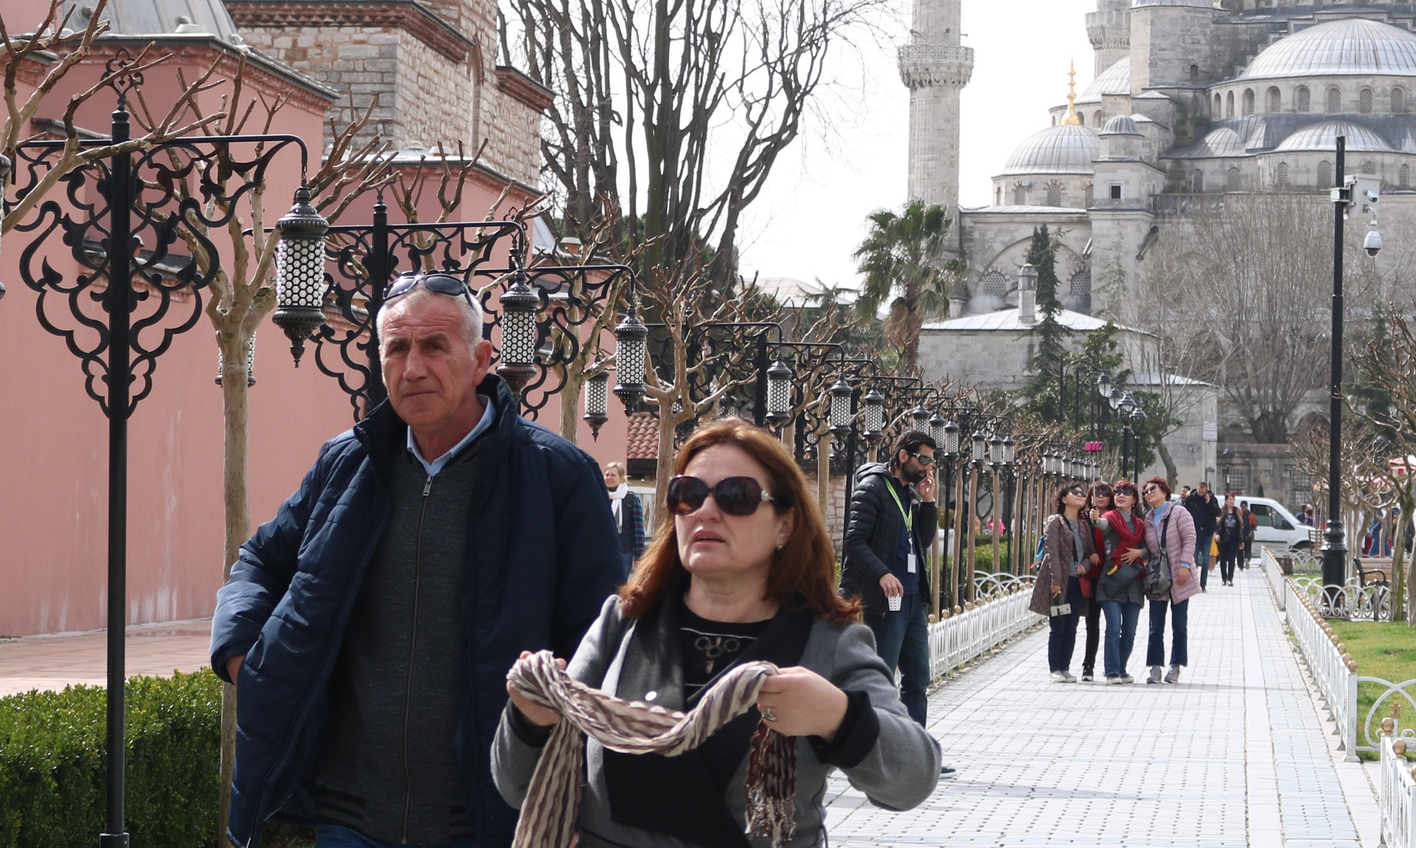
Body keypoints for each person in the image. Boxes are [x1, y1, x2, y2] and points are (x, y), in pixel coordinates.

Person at [210, 273, 625, 848]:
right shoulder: (347, 464)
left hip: (486, 819)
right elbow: (260, 559)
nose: (413, 368)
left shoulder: (557, 476)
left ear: (481, 360)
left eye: (435, 346)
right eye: (397, 348)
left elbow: (601, 642)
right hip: (341, 819)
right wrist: (241, 657)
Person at [492, 421, 938, 846]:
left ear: (785, 523)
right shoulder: (626, 621)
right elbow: (517, 785)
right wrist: (530, 720)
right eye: (687, 494)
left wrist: (839, 718)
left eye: (736, 496)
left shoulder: (828, 641)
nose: (706, 511)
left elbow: (913, 778)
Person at [842, 430, 940, 731]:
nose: (928, 468)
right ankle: (877, 748)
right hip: (885, 602)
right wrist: (883, 574)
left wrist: (928, 503)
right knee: (882, 678)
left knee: (918, 679)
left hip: (911, 599)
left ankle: (915, 751)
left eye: (932, 462)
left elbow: (921, 541)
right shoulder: (872, 487)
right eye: (924, 459)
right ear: (902, 456)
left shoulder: (909, 493)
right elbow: (854, 542)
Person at [1032, 481, 1094, 681]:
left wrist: (1086, 564)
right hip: (1060, 584)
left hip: (1077, 584)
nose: (1079, 495)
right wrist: (1056, 582)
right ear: (1063, 499)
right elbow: (1053, 554)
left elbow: (1090, 551)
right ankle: (1055, 668)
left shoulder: (1084, 525)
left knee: (1072, 625)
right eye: (1074, 492)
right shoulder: (1055, 522)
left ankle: (1065, 667)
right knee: (1058, 625)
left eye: (1082, 493)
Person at [1142, 475, 1200, 683]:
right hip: (1158, 579)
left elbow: (1190, 539)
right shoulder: (1147, 519)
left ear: (1165, 490)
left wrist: (1185, 565)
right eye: (1146, 491)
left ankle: (1175, 667)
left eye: (1153, 488)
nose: (1149, 493)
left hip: (1179, 576)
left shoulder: (1179, 512)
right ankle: (1155, 668)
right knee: (1155, 626)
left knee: (1179, 624)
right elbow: (1148, 549)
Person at [1094, 481, 1152, 681]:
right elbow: (1102, 525)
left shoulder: (1140, 525)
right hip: (1112, 579)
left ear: (1134, 499)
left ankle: (1121, 668)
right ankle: (1111, 672)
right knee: (1113, 629)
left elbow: (1150, 548)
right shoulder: (1110, 518)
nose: (1120, 495)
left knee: (1129, 632)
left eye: (1126, 493)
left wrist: (1139, 552)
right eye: (1117, 492)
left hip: (1133, 581)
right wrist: (1095, 519)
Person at [1079, 483, 1113, 677]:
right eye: (1096, 493)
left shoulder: (1114, 518)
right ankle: (1088, 665)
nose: (1100, 496)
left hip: (1110, 576)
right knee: (1092, 623)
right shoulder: (1083, 519)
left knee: (1113, 623)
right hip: (1090, 576)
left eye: (1105, 494)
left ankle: (1113, 667)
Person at [607, 462, 650, 564]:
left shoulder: (631, 499)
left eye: (613, 475)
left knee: (621, 580)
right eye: (607, 475)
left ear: (621, 478)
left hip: (624, 552)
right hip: (603, 552)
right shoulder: (600, 498)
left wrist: (639, 555)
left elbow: (638, 529)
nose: (609, 478)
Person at [1183, 481, 1221, 589]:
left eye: (1203, 491)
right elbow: (1185, 512)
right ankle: (1193, 583)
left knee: (1205, 560)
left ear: (1206, 490)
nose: (1200, 493)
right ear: (1197, 488)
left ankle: (1202, 584)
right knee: (1194, 559)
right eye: (1199, 490)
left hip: (1207, 532)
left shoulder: (1212, 498)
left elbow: (1218, 513)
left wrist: (1209, 503)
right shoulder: (1191, 498)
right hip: (1194, 532)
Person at [1216, 496, 1246, 587]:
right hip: (1223, 538)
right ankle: (1223, 578)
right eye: (1230, 500)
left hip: (1234, 538)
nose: (1231, 501)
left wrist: (1241, 540)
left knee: (1232, 559)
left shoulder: (1237, 511)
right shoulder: (1222, 510)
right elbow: (1217, 525)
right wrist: (1217, 534)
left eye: (1233, 500)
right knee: (1223, 559)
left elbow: (1239, 527)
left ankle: (1230, 578)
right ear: (1226, 501)